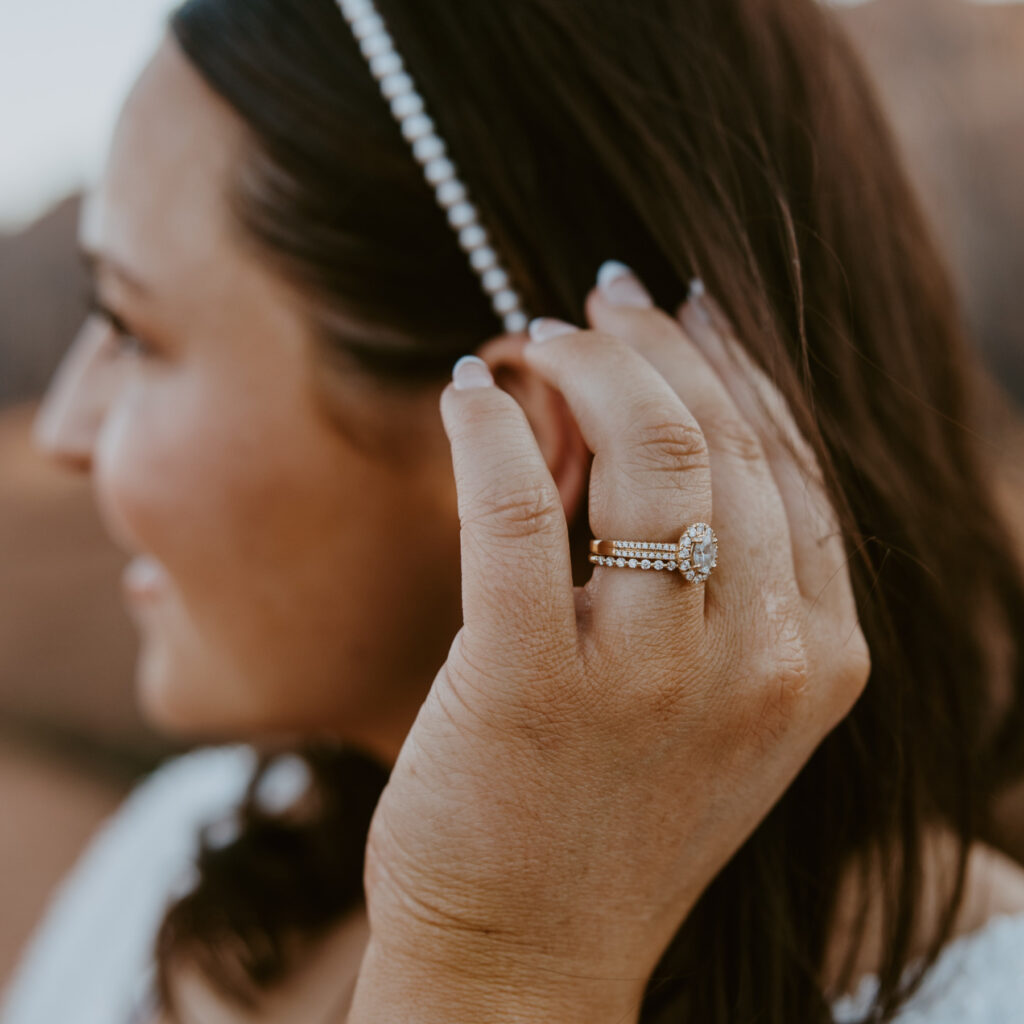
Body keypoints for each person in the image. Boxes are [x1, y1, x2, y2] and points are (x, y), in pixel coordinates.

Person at [4, 0, 1024, 1021]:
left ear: (507, 437)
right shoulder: (186, 851)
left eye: (132, 331)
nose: (63, 431)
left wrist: (498, 977)